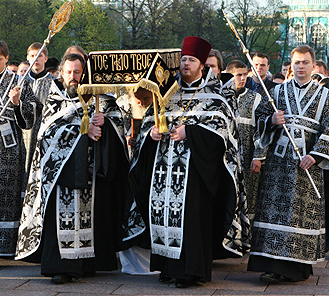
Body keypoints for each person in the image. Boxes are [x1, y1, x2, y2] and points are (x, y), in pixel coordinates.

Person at [130, 36, 249, 288]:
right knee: (162, 217)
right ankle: (167, 268)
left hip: (196, 173)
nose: (186, 64)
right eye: (183, 59)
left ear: (202, 65)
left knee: (191, 221)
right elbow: (148, 126)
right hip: (163, 169)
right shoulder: (165, 94)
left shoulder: (215, 96)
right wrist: (151, 134)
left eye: (191, 60)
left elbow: (223, 137)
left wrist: (191, 133)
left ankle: (190, 272)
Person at [15, 53, 144, 284]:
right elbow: (47, 135)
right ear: (61, 73)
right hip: (62, 175)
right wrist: (83, 133)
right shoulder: (55, 100)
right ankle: (63, 268)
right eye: (68, 72)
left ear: (84, 73)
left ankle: (89, 263)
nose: (73, 77)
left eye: (77, 72)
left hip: (93, 175)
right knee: (62, 219)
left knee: (94, 216)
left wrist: (106, 125)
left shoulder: (101, 100)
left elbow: (119, 128)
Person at [247, 44, 329, 283]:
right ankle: (270, 266)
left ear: (314, 65)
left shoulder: (325, 96)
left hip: (306, 165)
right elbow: (259, 118)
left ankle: (294, 270)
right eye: (297, 62)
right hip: (277, 163)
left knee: (298, 216)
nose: (301, 66)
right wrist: (271, 119)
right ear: (291, 65)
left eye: (305, 62)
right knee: (274, 213)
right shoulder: (277, 91)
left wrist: (316, 154)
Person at [0, 39, 42, 269]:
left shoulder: (19, 82)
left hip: (10, 152)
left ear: (6, 59)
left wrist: (17, 104)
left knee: (5, 199)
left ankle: (3, 249)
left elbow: (32, 115)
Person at [225, 60, 266, 222]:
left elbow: (261, 129)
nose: (243, 78)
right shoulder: (221, 97)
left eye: (245, 74)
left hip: (248, 160)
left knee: (248, 199)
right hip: (226, 160)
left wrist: (258, 156)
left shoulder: (255, 98)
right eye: (238, 75)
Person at [22, 42, 55, 190]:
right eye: (33, 55)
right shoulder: (21, 81)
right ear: (28, 58)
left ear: (45, 58)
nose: (36, 59)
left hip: (44, 136)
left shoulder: (54, 83)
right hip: (22, 136)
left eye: (39, 55)